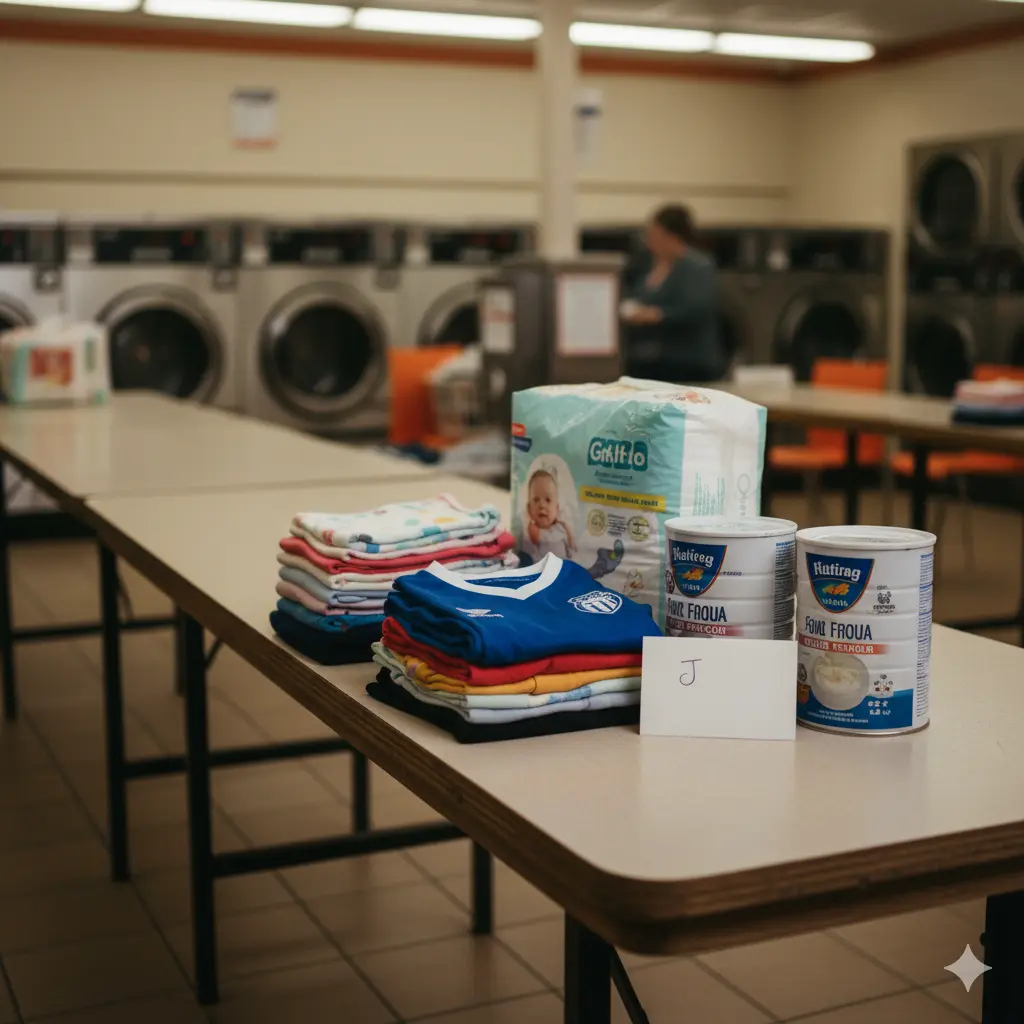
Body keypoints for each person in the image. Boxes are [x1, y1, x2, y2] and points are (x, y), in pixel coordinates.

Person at [620, 205, 724, 383]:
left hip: (687, 363)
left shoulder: (696, 266)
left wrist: (656, 315)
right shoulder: (648, 266)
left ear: (671, 236)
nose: (649, 240)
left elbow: (697, 309)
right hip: (648, 361)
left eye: (654, 234)